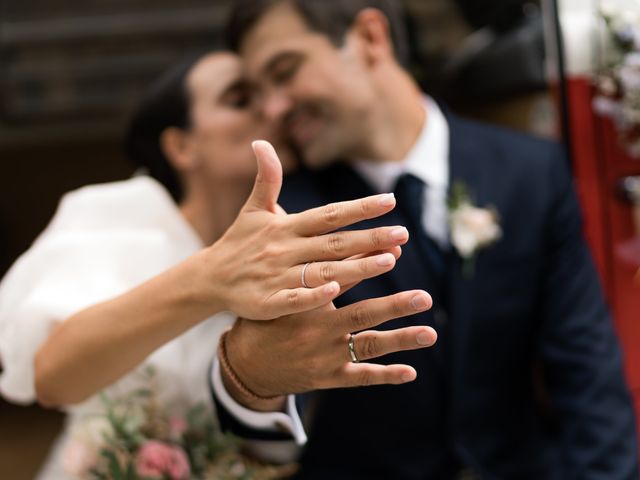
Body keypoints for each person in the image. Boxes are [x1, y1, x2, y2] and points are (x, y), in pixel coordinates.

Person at [211, 1, 640, 478]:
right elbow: (279, 406)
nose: (273, 108)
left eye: (285, 71)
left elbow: (587, 376)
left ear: (371, 37)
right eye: (257, 93)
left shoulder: (531, 173)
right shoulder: (290, 215)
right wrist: (254, 380)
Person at [0, 50, 438, 478]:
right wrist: (209, 277)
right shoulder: (116, 213)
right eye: (240, 99)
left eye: (274, 94)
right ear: (181, 146)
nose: (273, 109)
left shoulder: (310, 237)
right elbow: (53, 380)